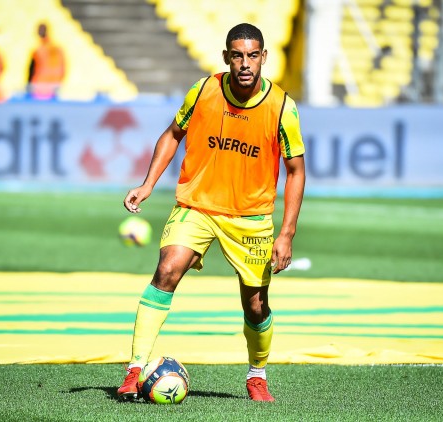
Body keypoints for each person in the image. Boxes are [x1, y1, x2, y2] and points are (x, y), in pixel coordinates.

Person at [118, 23, 305, 402]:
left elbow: (296, 170)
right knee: (167, 269)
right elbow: (173, 134)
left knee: (255, 305)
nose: (245, 63)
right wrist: (148, 184)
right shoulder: (203, 91)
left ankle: (256, 375)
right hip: (196, 205)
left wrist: (286, 234)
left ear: (264, 58)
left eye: (253, 55)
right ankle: (134, 369)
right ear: (226, 58)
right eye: (237, 55)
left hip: (250, 218)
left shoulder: (282, 106)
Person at [27, 23, 66, 100]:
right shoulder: (56, 48)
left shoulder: (38, 50)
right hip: (51, 87)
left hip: (39, 88)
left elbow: (32, 70)